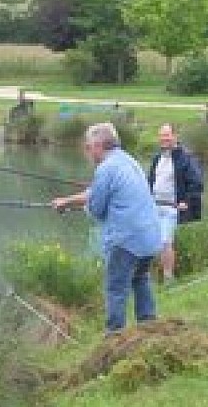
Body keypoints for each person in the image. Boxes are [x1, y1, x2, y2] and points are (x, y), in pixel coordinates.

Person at [52, 123, 161, 334]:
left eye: (88, 147)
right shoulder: (128, 161)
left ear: (99, 145)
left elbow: (96, 209)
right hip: (149, 237)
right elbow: (94, 193)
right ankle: (149, 328)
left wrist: (77, 206)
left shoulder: (106, 168)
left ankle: (114, 336)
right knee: (140, 279)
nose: (87, 151)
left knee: (116, 289)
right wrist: (66, 202)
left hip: (126, 239)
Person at [147, 124, 204, 283]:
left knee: (166, 241)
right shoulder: (157, 157)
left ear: (175, 136)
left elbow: (197, 183)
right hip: (155, 207)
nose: (164, 139)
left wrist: (186, 201)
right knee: (155, 243)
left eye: (167, 135)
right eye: (161, 135)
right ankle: (157, 276)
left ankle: (168, 278)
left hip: (172, 209)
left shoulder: (186, 158)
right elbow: (150, 181)